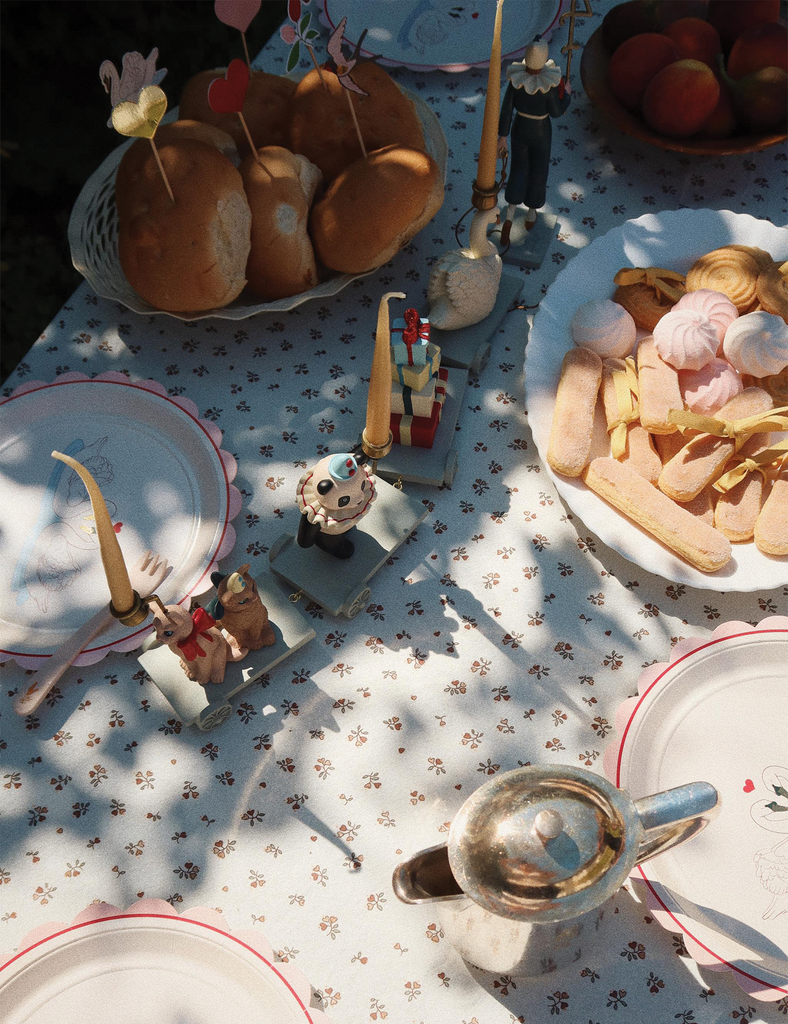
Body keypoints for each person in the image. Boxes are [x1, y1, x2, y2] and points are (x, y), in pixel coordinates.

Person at [497, 35, 571, 246]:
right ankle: (530, 215)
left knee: (519, 169)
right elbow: (556, 112)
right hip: (541, 132)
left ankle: (510, 216)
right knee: (538, 171)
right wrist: (566, 95)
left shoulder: (516, 82)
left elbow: (506, 111)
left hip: (520, 128)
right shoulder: (547, 87)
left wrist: (503, 136)